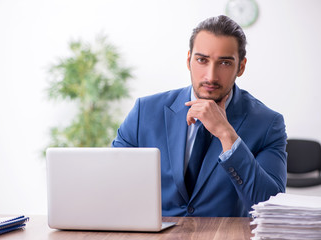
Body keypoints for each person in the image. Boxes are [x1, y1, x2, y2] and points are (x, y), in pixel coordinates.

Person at [112, 15, 287, 217]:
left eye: (224, 63)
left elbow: (271, 208)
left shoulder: (267, 124)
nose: (210, 76)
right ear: (188, 60)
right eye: (202, 60)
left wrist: (226, 134)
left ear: (241, 67)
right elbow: (113, 182)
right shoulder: (145, 112)